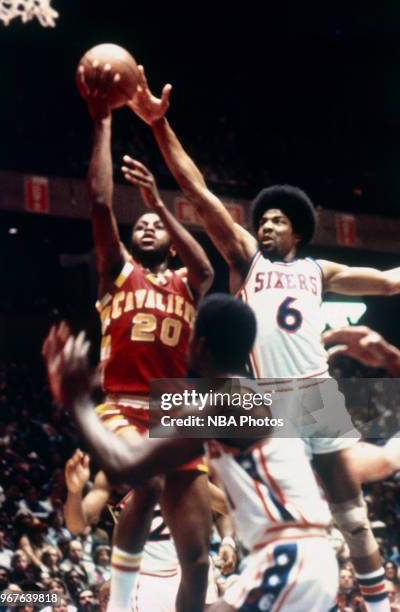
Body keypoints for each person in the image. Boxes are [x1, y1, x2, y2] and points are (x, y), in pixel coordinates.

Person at [124, 66, 400, 612]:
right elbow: (199, 192)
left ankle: (378, 606)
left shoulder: (321, 271)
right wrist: (159, 126)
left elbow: (392, 281)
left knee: (353, 520)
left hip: (317, 395)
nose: (268, 225)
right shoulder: (246, 258)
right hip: (264, 397)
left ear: (297, 231)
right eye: (263, 219)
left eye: (277, 221)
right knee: (200, 444)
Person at [42, 294, 339, 611]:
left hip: (287, 559)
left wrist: (77, 401)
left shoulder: (221, 404)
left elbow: (126, 463)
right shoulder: (249, 399)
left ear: (197, 347)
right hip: (303, 557)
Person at [74, 59, 215, 612]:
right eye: (144, 225)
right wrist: (103, 119)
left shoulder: (185, 279)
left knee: (199, 562)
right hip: (124, 405)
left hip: (177, 410)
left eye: (155, 223)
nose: (148, 226)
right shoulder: (118, 273)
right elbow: (102, 203)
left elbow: (205, 270)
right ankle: (121, 603)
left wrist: (160, 202)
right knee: (148, 481)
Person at [63, 448, 233, 611]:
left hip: (189, 567)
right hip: (147, 578)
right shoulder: (111, 477)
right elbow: (77, 525)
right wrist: (74, 491)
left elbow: (226, 507)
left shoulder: (178, 468)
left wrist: (228, 541)